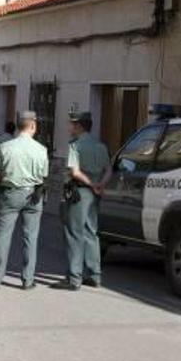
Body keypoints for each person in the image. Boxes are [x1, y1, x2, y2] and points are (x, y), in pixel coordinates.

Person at [0, 111, 50, 290]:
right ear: (33, 126)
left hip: (10, 193)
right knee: (31, 237)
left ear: (18, 125)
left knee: (4, 236)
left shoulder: (6, 147)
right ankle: (28, 280)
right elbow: (44, 176)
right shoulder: (41, 149)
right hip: (34, 195)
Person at [51, 112, 112, 291]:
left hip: (79, 192)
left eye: (72, 125)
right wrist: (100, 184)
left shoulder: (75, 146)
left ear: (79, 126)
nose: (70, 128)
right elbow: (108, 169)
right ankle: (94, 275)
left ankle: (74, 277)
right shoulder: (100, 145)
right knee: (91, 232)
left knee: (74, 233)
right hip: (94, 194)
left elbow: (75, 172)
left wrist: (92, 184)